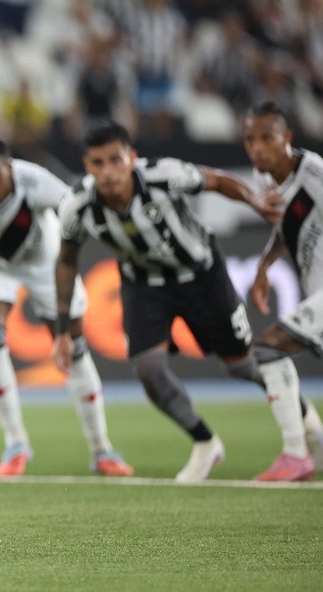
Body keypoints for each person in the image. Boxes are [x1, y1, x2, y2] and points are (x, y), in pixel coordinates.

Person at [52, 121, 285, 483]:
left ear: (132, 157)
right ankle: (205, 443)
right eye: (98, 163)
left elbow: (219, 181)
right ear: (87, 165)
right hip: (144, 285)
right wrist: (63, 328)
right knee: (148, 370)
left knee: (243, 367)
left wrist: (255, 200)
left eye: (115, 160)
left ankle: (305, 421)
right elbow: (66, 260)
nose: (108, 172)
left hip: (201, 274)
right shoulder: (77, 205)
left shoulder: (164, 175)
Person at [0, 136, 134, 478]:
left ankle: (101, 449)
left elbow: (75, 217)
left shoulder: (38, 182)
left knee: (74, 349)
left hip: (47, 264)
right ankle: (15, 443)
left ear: (11, 169)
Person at [243, 101, 323, 481]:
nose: (257, 147)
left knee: (268, 348)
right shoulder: (271, 182)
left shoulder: (313, 171)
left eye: (266, 138)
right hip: (315, 293)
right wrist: (264, 265)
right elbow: (288, 226)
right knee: (270, 350)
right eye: (249, 140)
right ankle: (313, 446)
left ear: (287, 138)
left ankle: (297, 451)